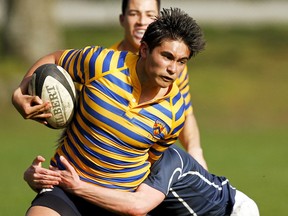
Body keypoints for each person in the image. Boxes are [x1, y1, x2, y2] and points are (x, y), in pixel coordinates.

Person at [12, 7, 206, 215]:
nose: (173, 69)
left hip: (117, 202)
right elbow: (55, 59)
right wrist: (20, 91)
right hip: (65, 187)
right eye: (167, 57)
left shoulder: (175, 112)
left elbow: (151, 163)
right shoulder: (102, 64)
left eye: (181, 62)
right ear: (144, 50)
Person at [25, 146, 260, 216]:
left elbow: (137, 206)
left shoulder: (167, 160)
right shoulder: (115, 157)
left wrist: (77, 186)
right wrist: (39, 178)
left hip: (232, 211)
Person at [113, 0, 207, 169]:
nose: (142, 21)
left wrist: (195, 152)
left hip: (150, 161)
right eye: (134, 13)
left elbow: (185, 113)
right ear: (122, 19)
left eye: (150, 15)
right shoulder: (104, 65)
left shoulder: (172, 67)